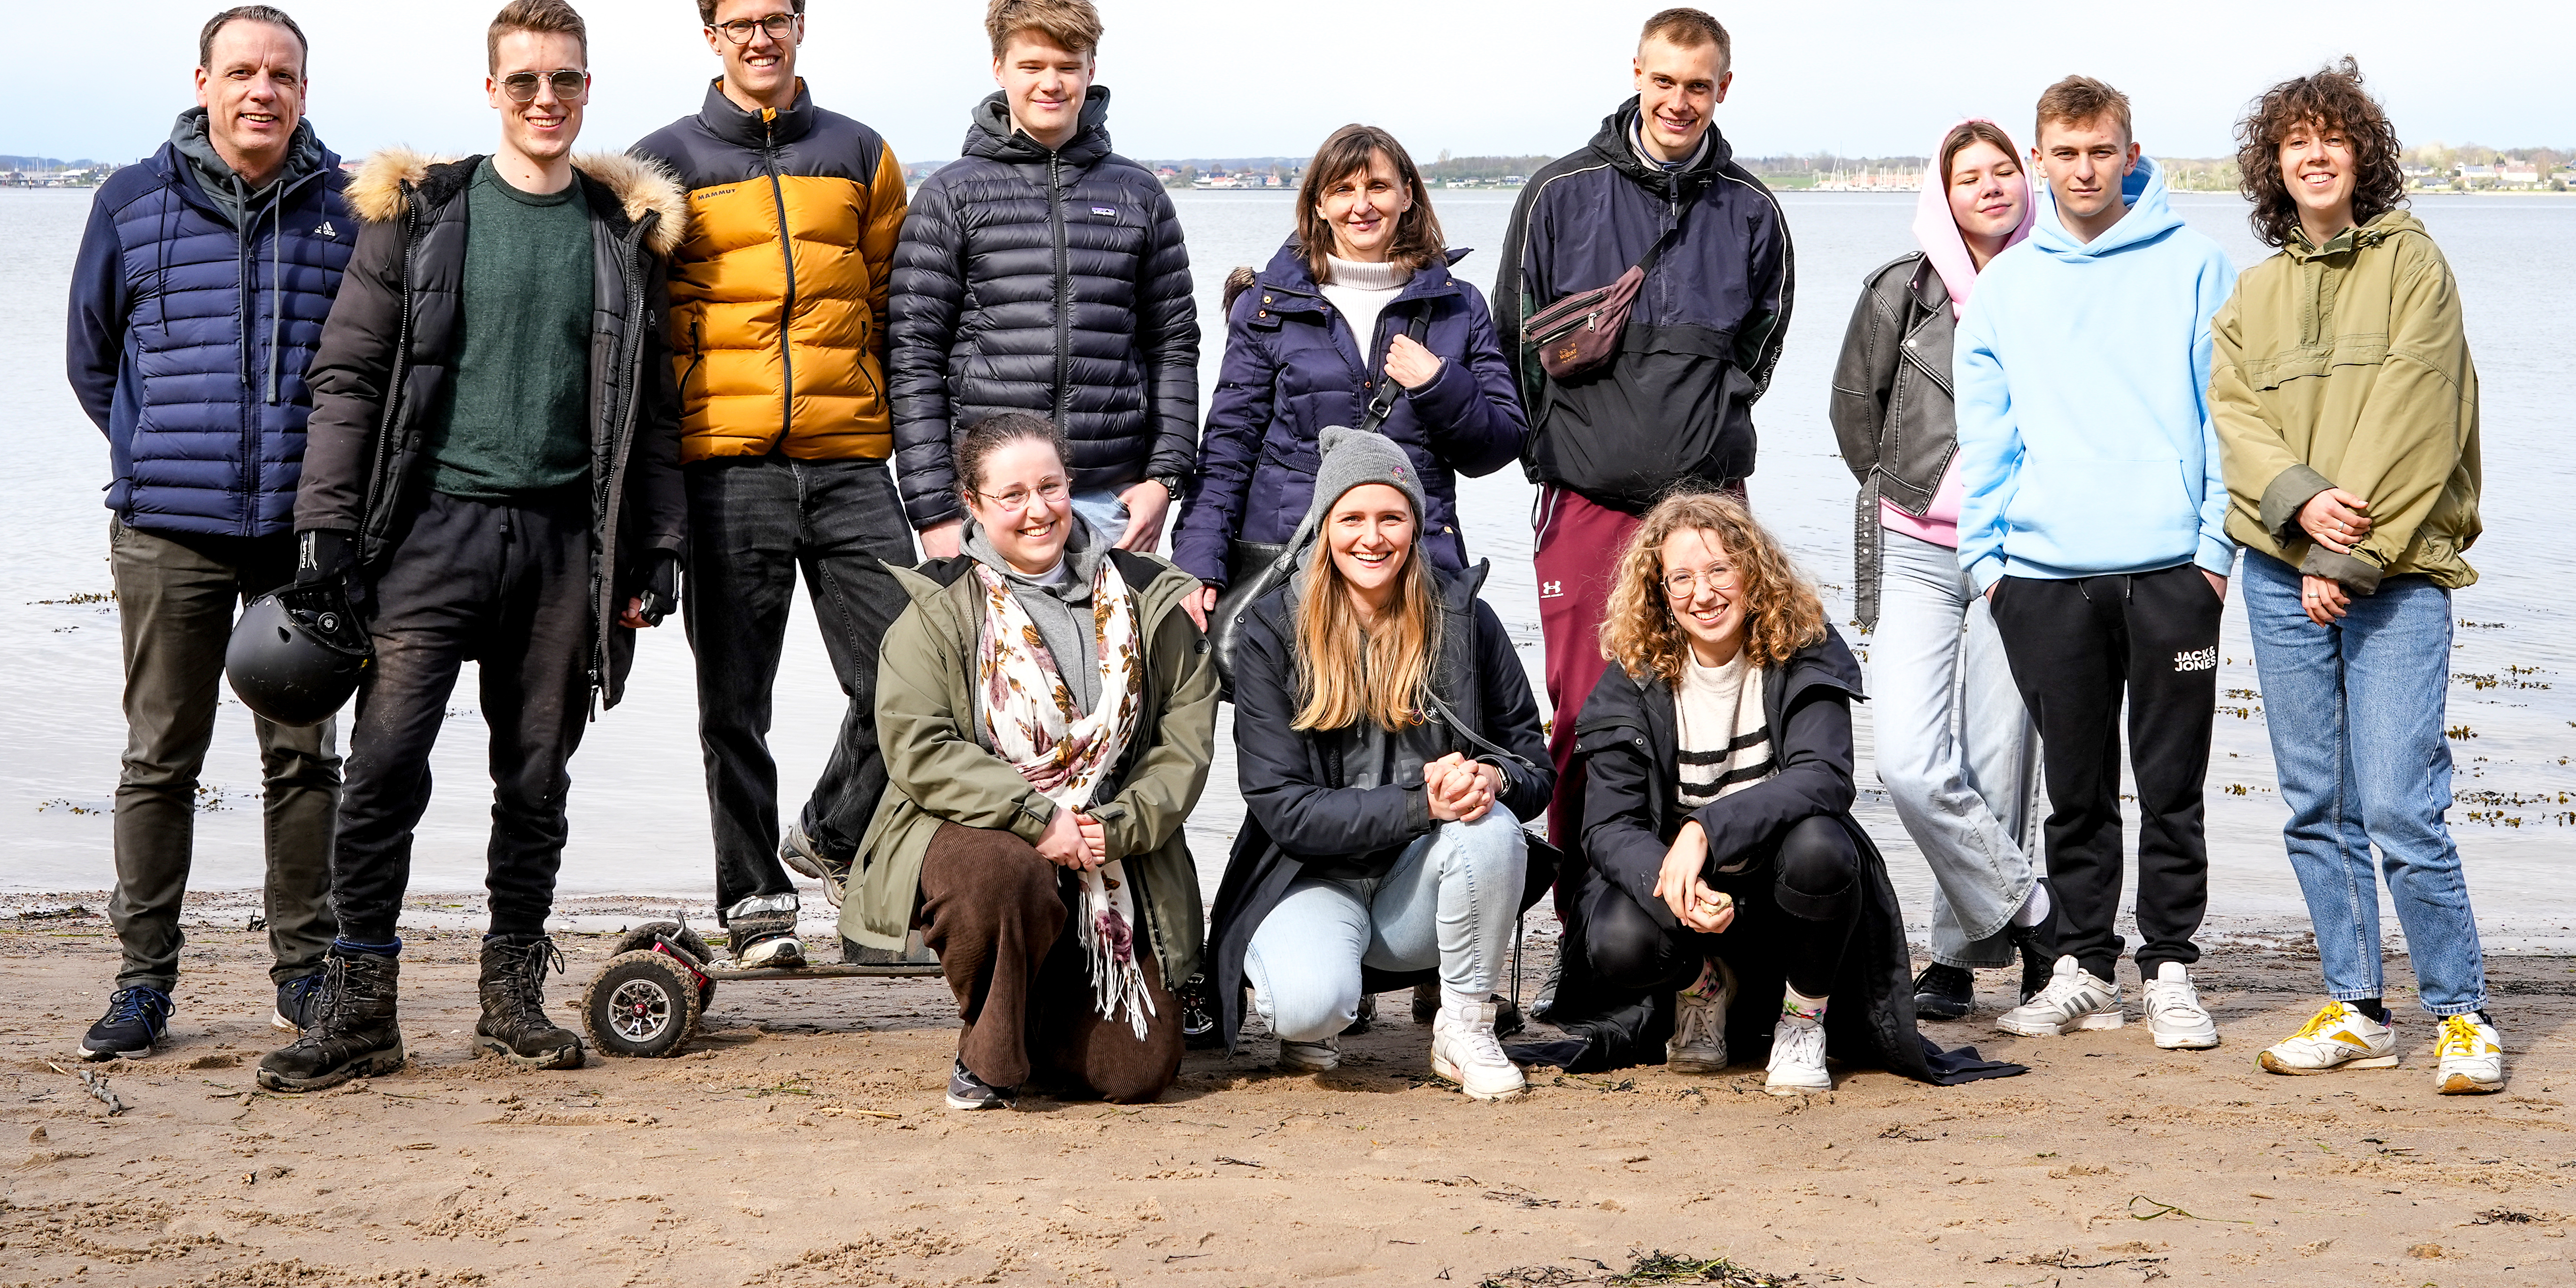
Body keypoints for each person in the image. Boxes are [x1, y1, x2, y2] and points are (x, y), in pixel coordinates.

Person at [258, 0, 688, 1094]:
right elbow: (347, 376)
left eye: (566, 81)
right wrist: (326, 534)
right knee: (387, 765)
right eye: (524, 81)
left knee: (535, 775)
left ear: (587, 91)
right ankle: (359, 1009)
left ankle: (511, 998)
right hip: (428, 539)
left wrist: (654, 546)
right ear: (491, 90)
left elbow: (649, 412)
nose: (545, 99)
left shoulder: (618, 231)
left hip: (561, 551)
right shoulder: (422, 213)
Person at [65, 4, 353, 1060]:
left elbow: (367, 371)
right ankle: (143, 982)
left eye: (281, 73)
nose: (260, 90)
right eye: (241, 71)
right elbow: (94, 359)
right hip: (166, 533)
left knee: (305, 760)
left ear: (303, 92)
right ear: (202, 81)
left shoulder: (345, 210)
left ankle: (304, 976)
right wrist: (154, 455)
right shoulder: (132, 202)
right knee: (159, 757)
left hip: (300, 535)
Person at [2213, 60, 2503, 1096]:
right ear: (2273, 166)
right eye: (2294, 140)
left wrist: (2345, 554)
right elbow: (2234, 421)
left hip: (2393, 574)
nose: (2314, 153)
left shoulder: (2414, 266)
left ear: (2360, 154)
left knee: (2397, 803)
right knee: (2313, 803)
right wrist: (2296, 504)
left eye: (2332, 136)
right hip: (2278, 573)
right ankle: (2356, 1004)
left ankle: (2459, 1010)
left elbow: (2416, 420)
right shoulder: (2252, 294)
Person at [629, 0, 916, 966]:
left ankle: (830, 834)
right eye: (738, 23)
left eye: (775, 18)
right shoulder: (660, 162)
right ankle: (751, 904)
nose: (759, 36)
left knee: (912, 674)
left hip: (848, 458)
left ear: (799, 25)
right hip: (727, 465)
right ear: (710, 36)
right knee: (732, 703)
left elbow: (894, 307)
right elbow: (638, 334)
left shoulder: (862, 153)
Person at [1545, 494, 2017, 1088]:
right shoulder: (1630, 679)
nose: (1703, 593)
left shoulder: (1803, 647)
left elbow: (1824, 776)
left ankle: (1802, 1018)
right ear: (1661, 592)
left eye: (1719, 569)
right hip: (1690, 893)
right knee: (1615, 935)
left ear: (1752, 570)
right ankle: (1703, 989)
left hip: (1785, 892)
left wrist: (1704, 829)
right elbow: (1607, 827)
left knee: (1822, 844)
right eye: (1682, 578)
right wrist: (1674, 884)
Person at [1955, 75, 2239, 1052]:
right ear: (2040, 159)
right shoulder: (2005, 284)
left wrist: (2211, 552)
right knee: (2072, 786)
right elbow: (1983, 435)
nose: (2082, 168)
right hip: (2041, 575)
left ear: (2128, 152)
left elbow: (2224, 420)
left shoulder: (2196, 265)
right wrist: (1984, 563)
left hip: (2169, 572)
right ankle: (2080, 963)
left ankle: (2167, 966)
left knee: (2169, 781)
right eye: (2064, 152)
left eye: (2100, 150)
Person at [838, 413, 1217, 1109]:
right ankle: (988, 1050)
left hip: (1111, 847)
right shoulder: (939, 603)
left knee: (1135, 1075)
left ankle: (1040, 996)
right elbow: (918, 744)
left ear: (1071, 485)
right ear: (974, 505)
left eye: (1050, 486)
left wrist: (1119, 823)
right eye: (1010, 495)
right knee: (1003, 872)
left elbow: (1184, 741)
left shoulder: (1149, 593)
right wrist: (1038, 818)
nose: (1036, 509)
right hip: (979, 833)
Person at [1492, 7, 1794, 853]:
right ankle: (1589, 937)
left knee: (1712, 724)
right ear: (1635, 73)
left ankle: (1692, 935)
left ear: (1722, 90)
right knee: (1587, 718)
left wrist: (1698, 423)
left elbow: (1758, 352)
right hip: (1585, 501)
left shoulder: (1753, 211)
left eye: (1697, 86)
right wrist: (1563, 447)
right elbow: (1510, 341)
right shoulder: (1557, 194)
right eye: (1663, 80)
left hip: (1709, 505)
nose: (1678, 101)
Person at [1203, 429, 1555, 1102]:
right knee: (1307, 1006)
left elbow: (1533, 763)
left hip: (1417, 892)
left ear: (1415, 525)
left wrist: (1495, 777)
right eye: (1352, 518)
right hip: (1307, 879)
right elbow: (1284, 808)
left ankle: (1463, 1024)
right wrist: (1421, 802)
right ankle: (1319, 1008)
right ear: (1324, 526)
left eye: (1391, 516)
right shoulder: (1271, 630)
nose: (1373, 537)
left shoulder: (1466, 619)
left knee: (1492, 826)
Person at [1831, 119, 2054, 1021]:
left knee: (2001, 757)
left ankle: (1958, 961)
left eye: (2005, 170)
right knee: (1912, 761)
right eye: (1971, 177)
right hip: (1918, 545)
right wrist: (1914, 493)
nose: (1991, 187)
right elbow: (1856, 413)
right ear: (1944, 193)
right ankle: (2039, 919)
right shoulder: (1897, 291)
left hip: (2028, 549)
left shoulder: (2059, 284)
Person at [888, 0, 1198, 563]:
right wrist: (932, 511)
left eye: (1067, 65)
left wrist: (1164, 479)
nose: (1050, 83)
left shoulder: (1138, 194)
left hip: (1113, 500)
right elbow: (913, 360)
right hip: (988, 502)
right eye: (1032, 65)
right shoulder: (951, 194)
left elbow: (1173, 347)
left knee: (1120, 659)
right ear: (999, 67)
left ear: (1091, 68)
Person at [1175, 122, 1525, 604]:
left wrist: (1440, 384)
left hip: (1416, 566)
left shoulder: (1458, 305)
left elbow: (1497, 447)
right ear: (1319, 204)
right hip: (1291, 567)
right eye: (1342, 189)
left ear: (1407, 195)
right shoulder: (1265, 306)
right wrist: (1198, 565)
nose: (1361, 205)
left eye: (1377, 186)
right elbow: (1226, 453)